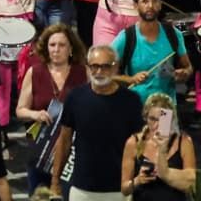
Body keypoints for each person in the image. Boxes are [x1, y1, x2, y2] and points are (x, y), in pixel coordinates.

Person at [49, 46, 145, 201]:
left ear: (116, 67)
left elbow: (140, 143)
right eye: (94, 66)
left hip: (119, 190)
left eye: (105, 66)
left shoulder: (131, 100)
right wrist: (55, 182)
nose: (99, 72)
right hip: (82, 189)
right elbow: (64, 141)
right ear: (88, 66)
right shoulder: (75, 98)